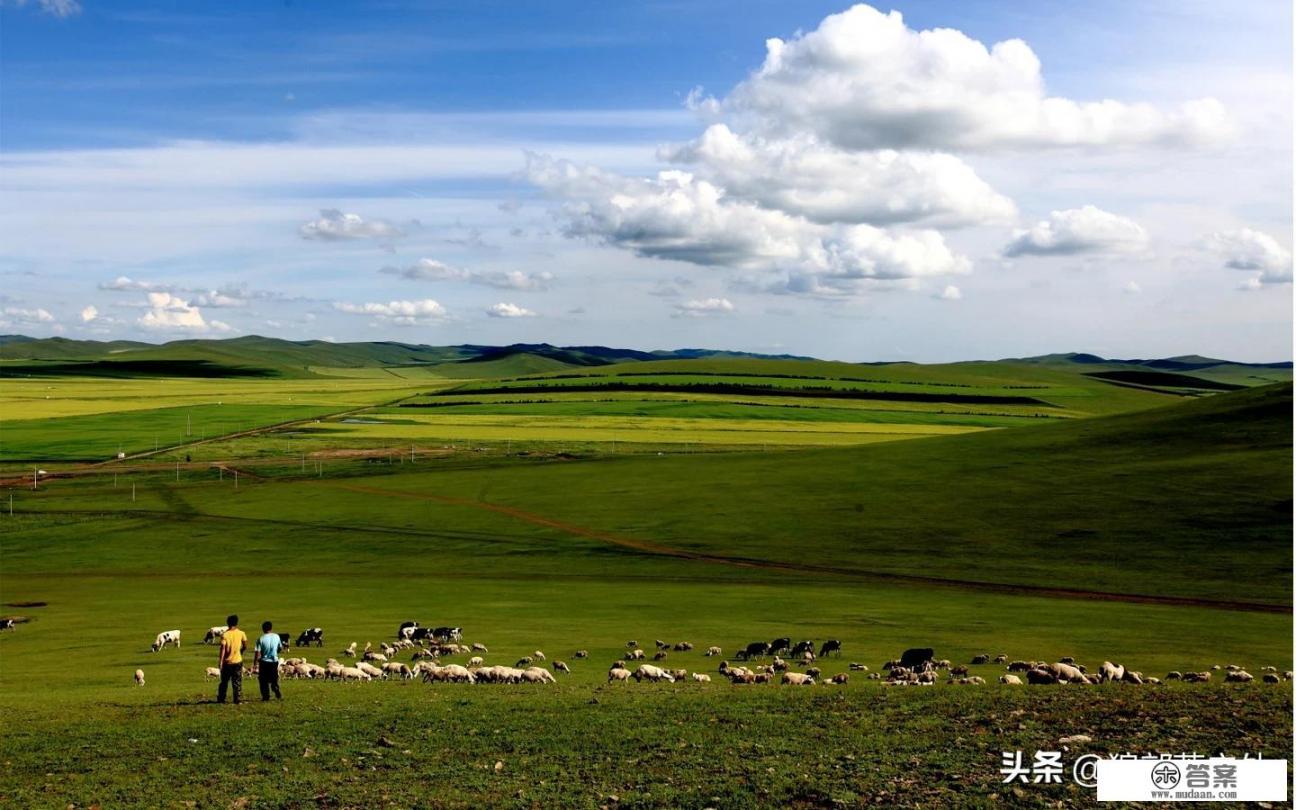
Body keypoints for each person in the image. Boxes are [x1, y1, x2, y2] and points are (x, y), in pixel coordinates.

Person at [216, 613, 247, 704]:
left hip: (227, 662)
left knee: (224, 681)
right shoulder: (241, 633)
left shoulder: (225, 635)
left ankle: (221, 698)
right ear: (237, 623)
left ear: (228, 623)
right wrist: (240, 652)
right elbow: (245, 645)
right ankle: (237, 699)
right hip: (237, 661)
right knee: (237, 681)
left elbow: (223, 649)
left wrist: (220, 662)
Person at [255, 620, 284, 701]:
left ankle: (266, 696)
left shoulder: (260, 639)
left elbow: (257, 652)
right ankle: (275, 687)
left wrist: (255, 663)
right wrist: (276, 653)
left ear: (263, 629)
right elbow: (280, 647)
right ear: (271, 628)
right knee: (274, 677)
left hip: (264, 661)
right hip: (274, 661)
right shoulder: (277, 636)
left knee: (263, 679)